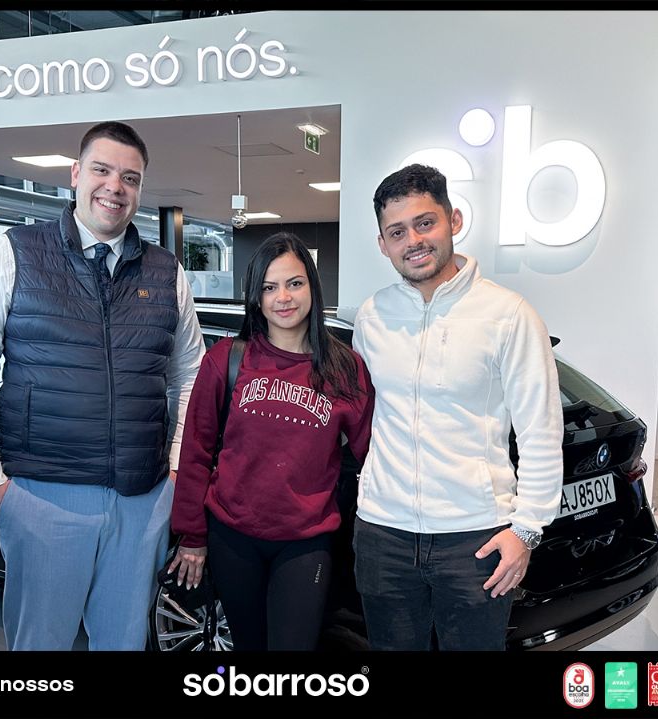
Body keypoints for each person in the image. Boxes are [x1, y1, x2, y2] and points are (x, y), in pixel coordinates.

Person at [0, 121, 205, 650]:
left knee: (124, 644)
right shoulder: (16, 253)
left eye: (130, 178)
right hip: (42, 496)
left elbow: (190, 378)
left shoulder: (165, 272)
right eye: (102, 170)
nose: (115, 187)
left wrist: (177, 471)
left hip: (141, 500)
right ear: (75, 174)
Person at [351, 164, 564, 650]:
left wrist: (527, 530)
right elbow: (363, 414)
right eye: (397, 232)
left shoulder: (509, 314)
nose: (413, 241)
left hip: (475, 538)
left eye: (425, 223)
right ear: (383, 244)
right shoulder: (372, 316)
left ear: (454, 220)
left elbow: (540, 429)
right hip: (383, 535)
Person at [169, 232, 374, 650]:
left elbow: (373, 451)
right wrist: (192, 535)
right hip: (233, 537)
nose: (283, 297)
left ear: (312, 287)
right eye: (269, 287)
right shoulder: (226, 360)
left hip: (306, 541)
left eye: (294, 283)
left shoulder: (344, 369)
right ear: (256, 297)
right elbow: (195, 452)